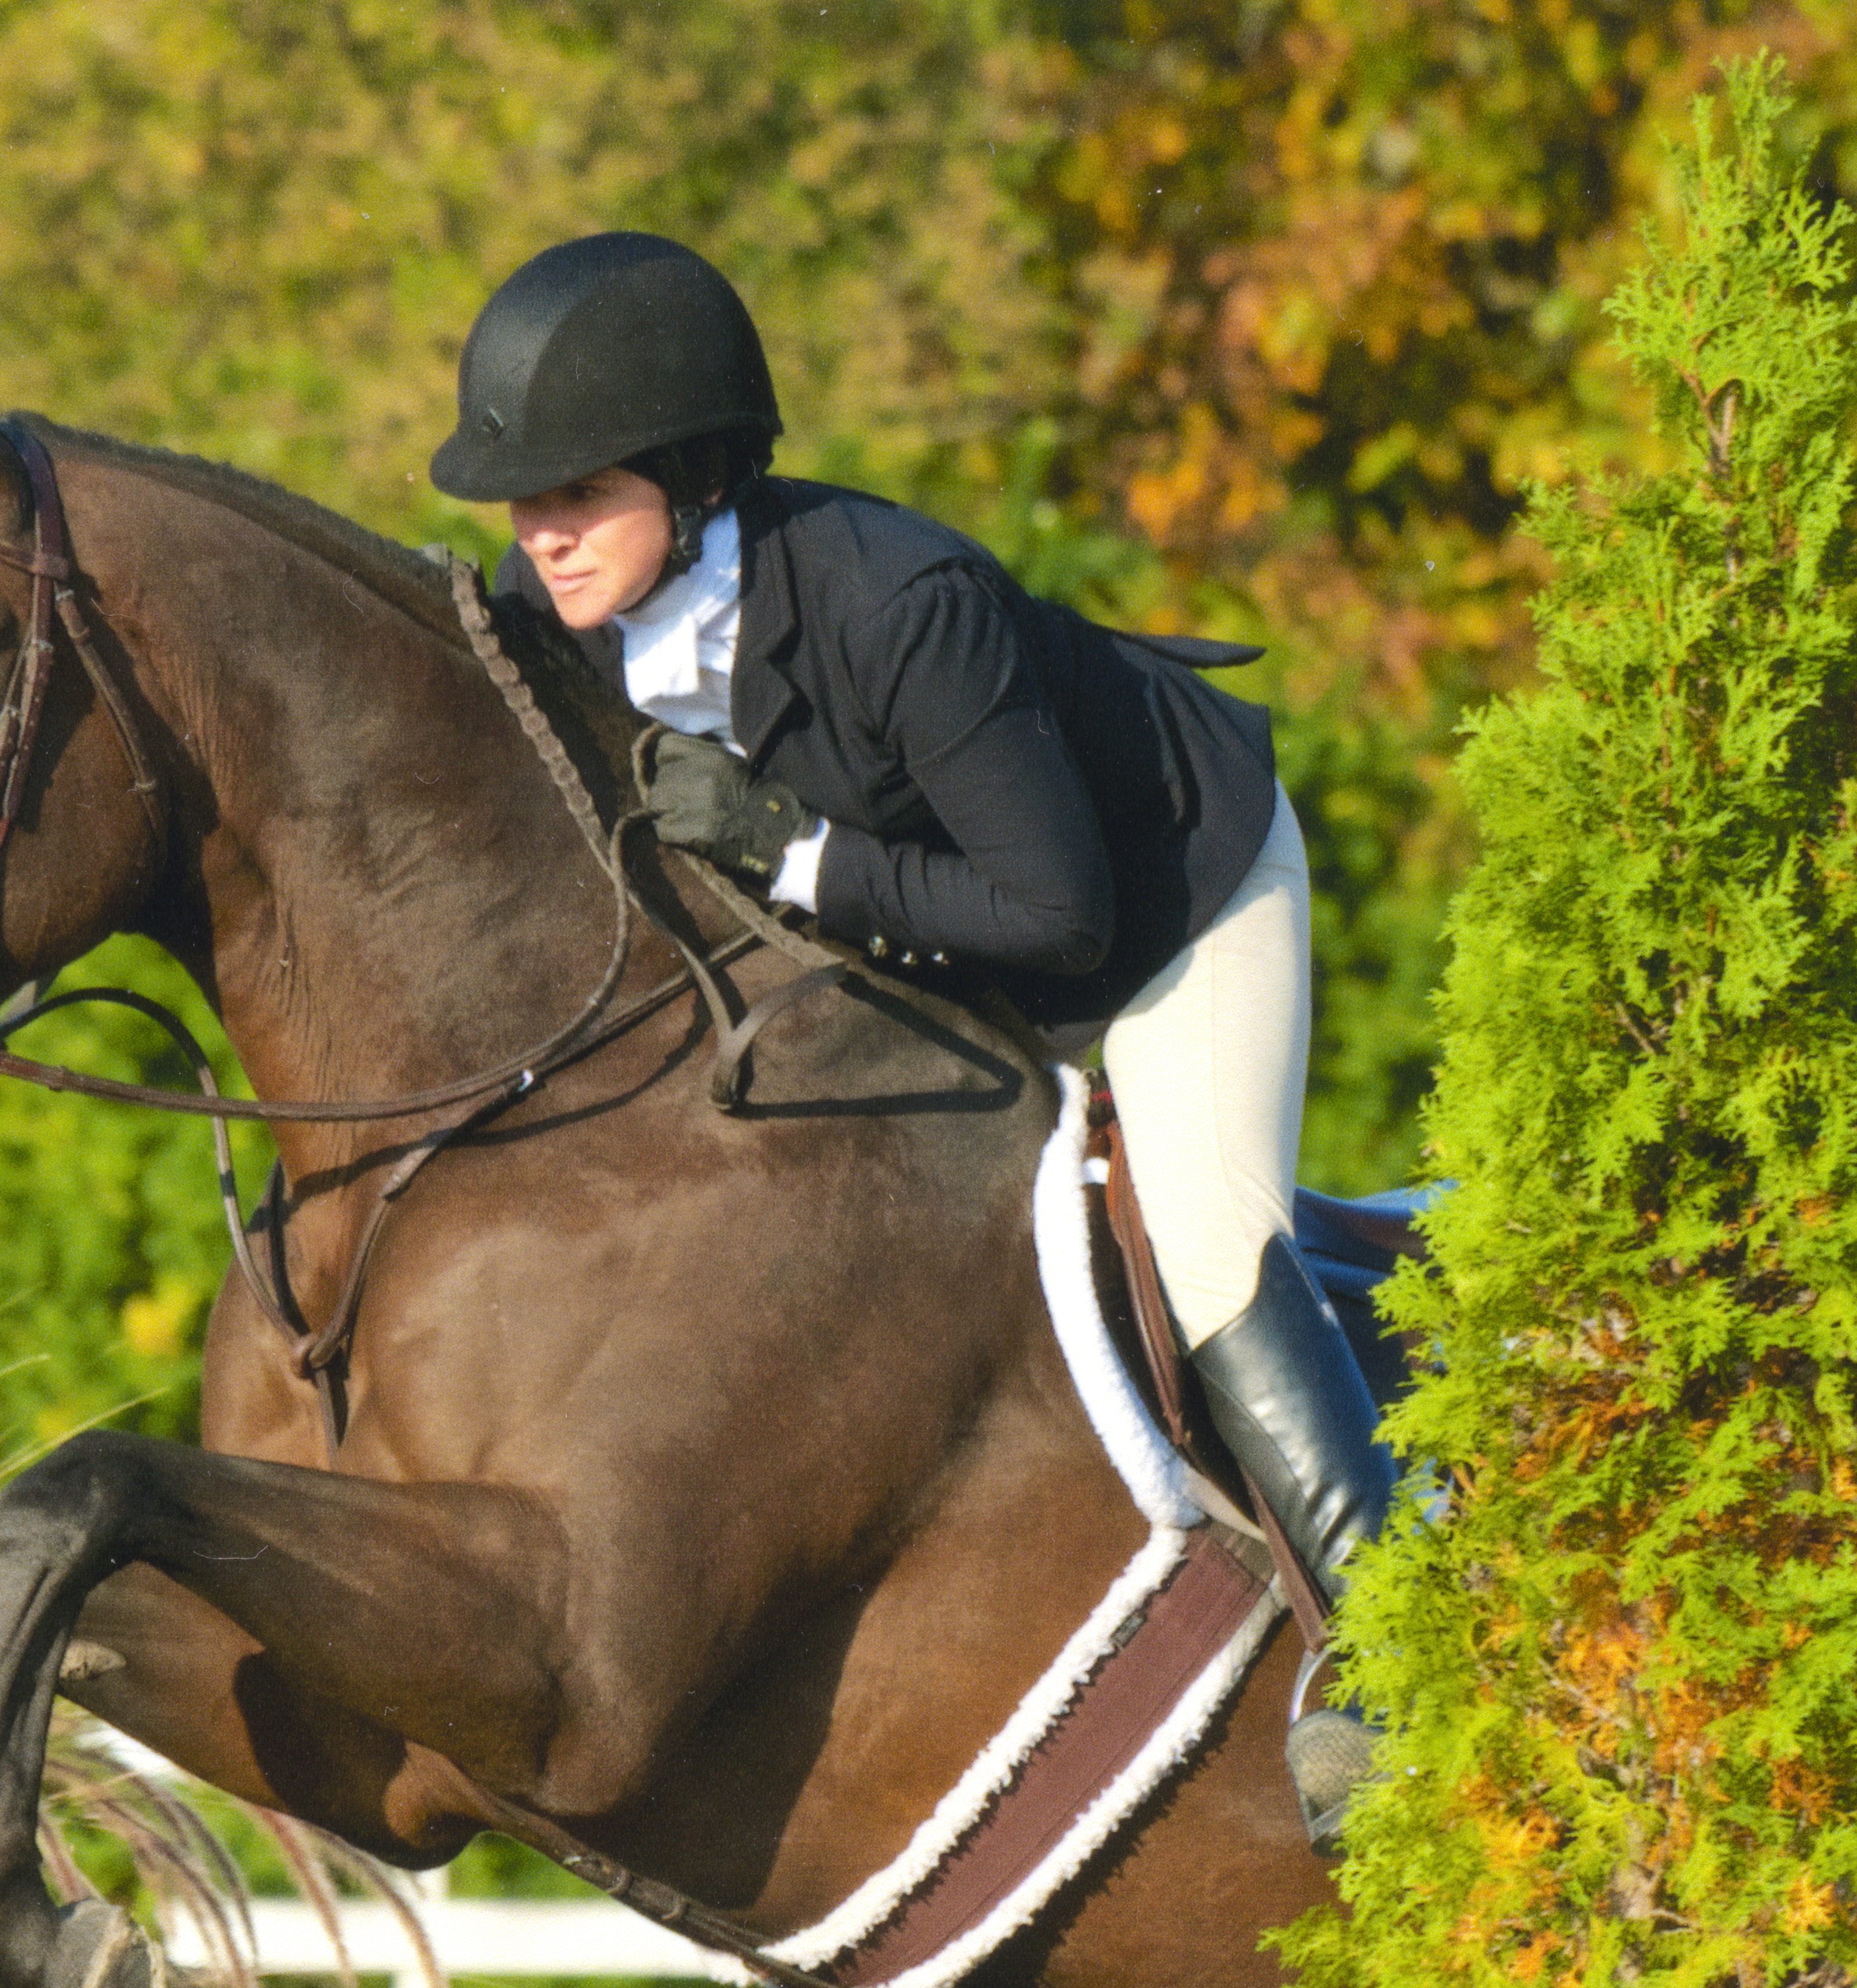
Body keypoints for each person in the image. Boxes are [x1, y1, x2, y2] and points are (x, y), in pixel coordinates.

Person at [432, 229, 1391, 1843]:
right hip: (938, 920)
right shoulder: (573, 619)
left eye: (577, 493)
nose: (541, 535)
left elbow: (1062, 914)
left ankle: (1403, 1649)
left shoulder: (904, 606)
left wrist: (790, 849)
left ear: (688, 476)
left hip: (1164, 910)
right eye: (522, 501)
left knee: (1209, 1235)